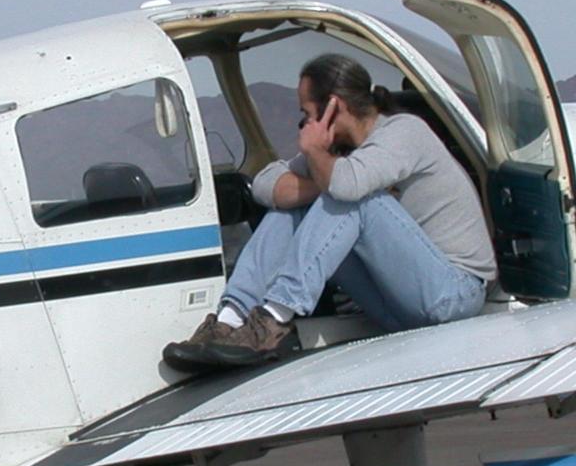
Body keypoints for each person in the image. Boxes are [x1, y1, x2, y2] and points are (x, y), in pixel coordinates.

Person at [163, 53, 497, 369]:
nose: (304, 126)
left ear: (333, 107)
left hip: (452, 294)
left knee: (359, 199)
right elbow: (266, 185)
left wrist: (315, 157)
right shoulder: (338, 151)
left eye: (307, 114)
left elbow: (348, 187)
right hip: (397, 304)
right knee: (293, 208)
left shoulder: (404, 132)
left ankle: (274, 317)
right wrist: (314, 175)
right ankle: (231, 319)